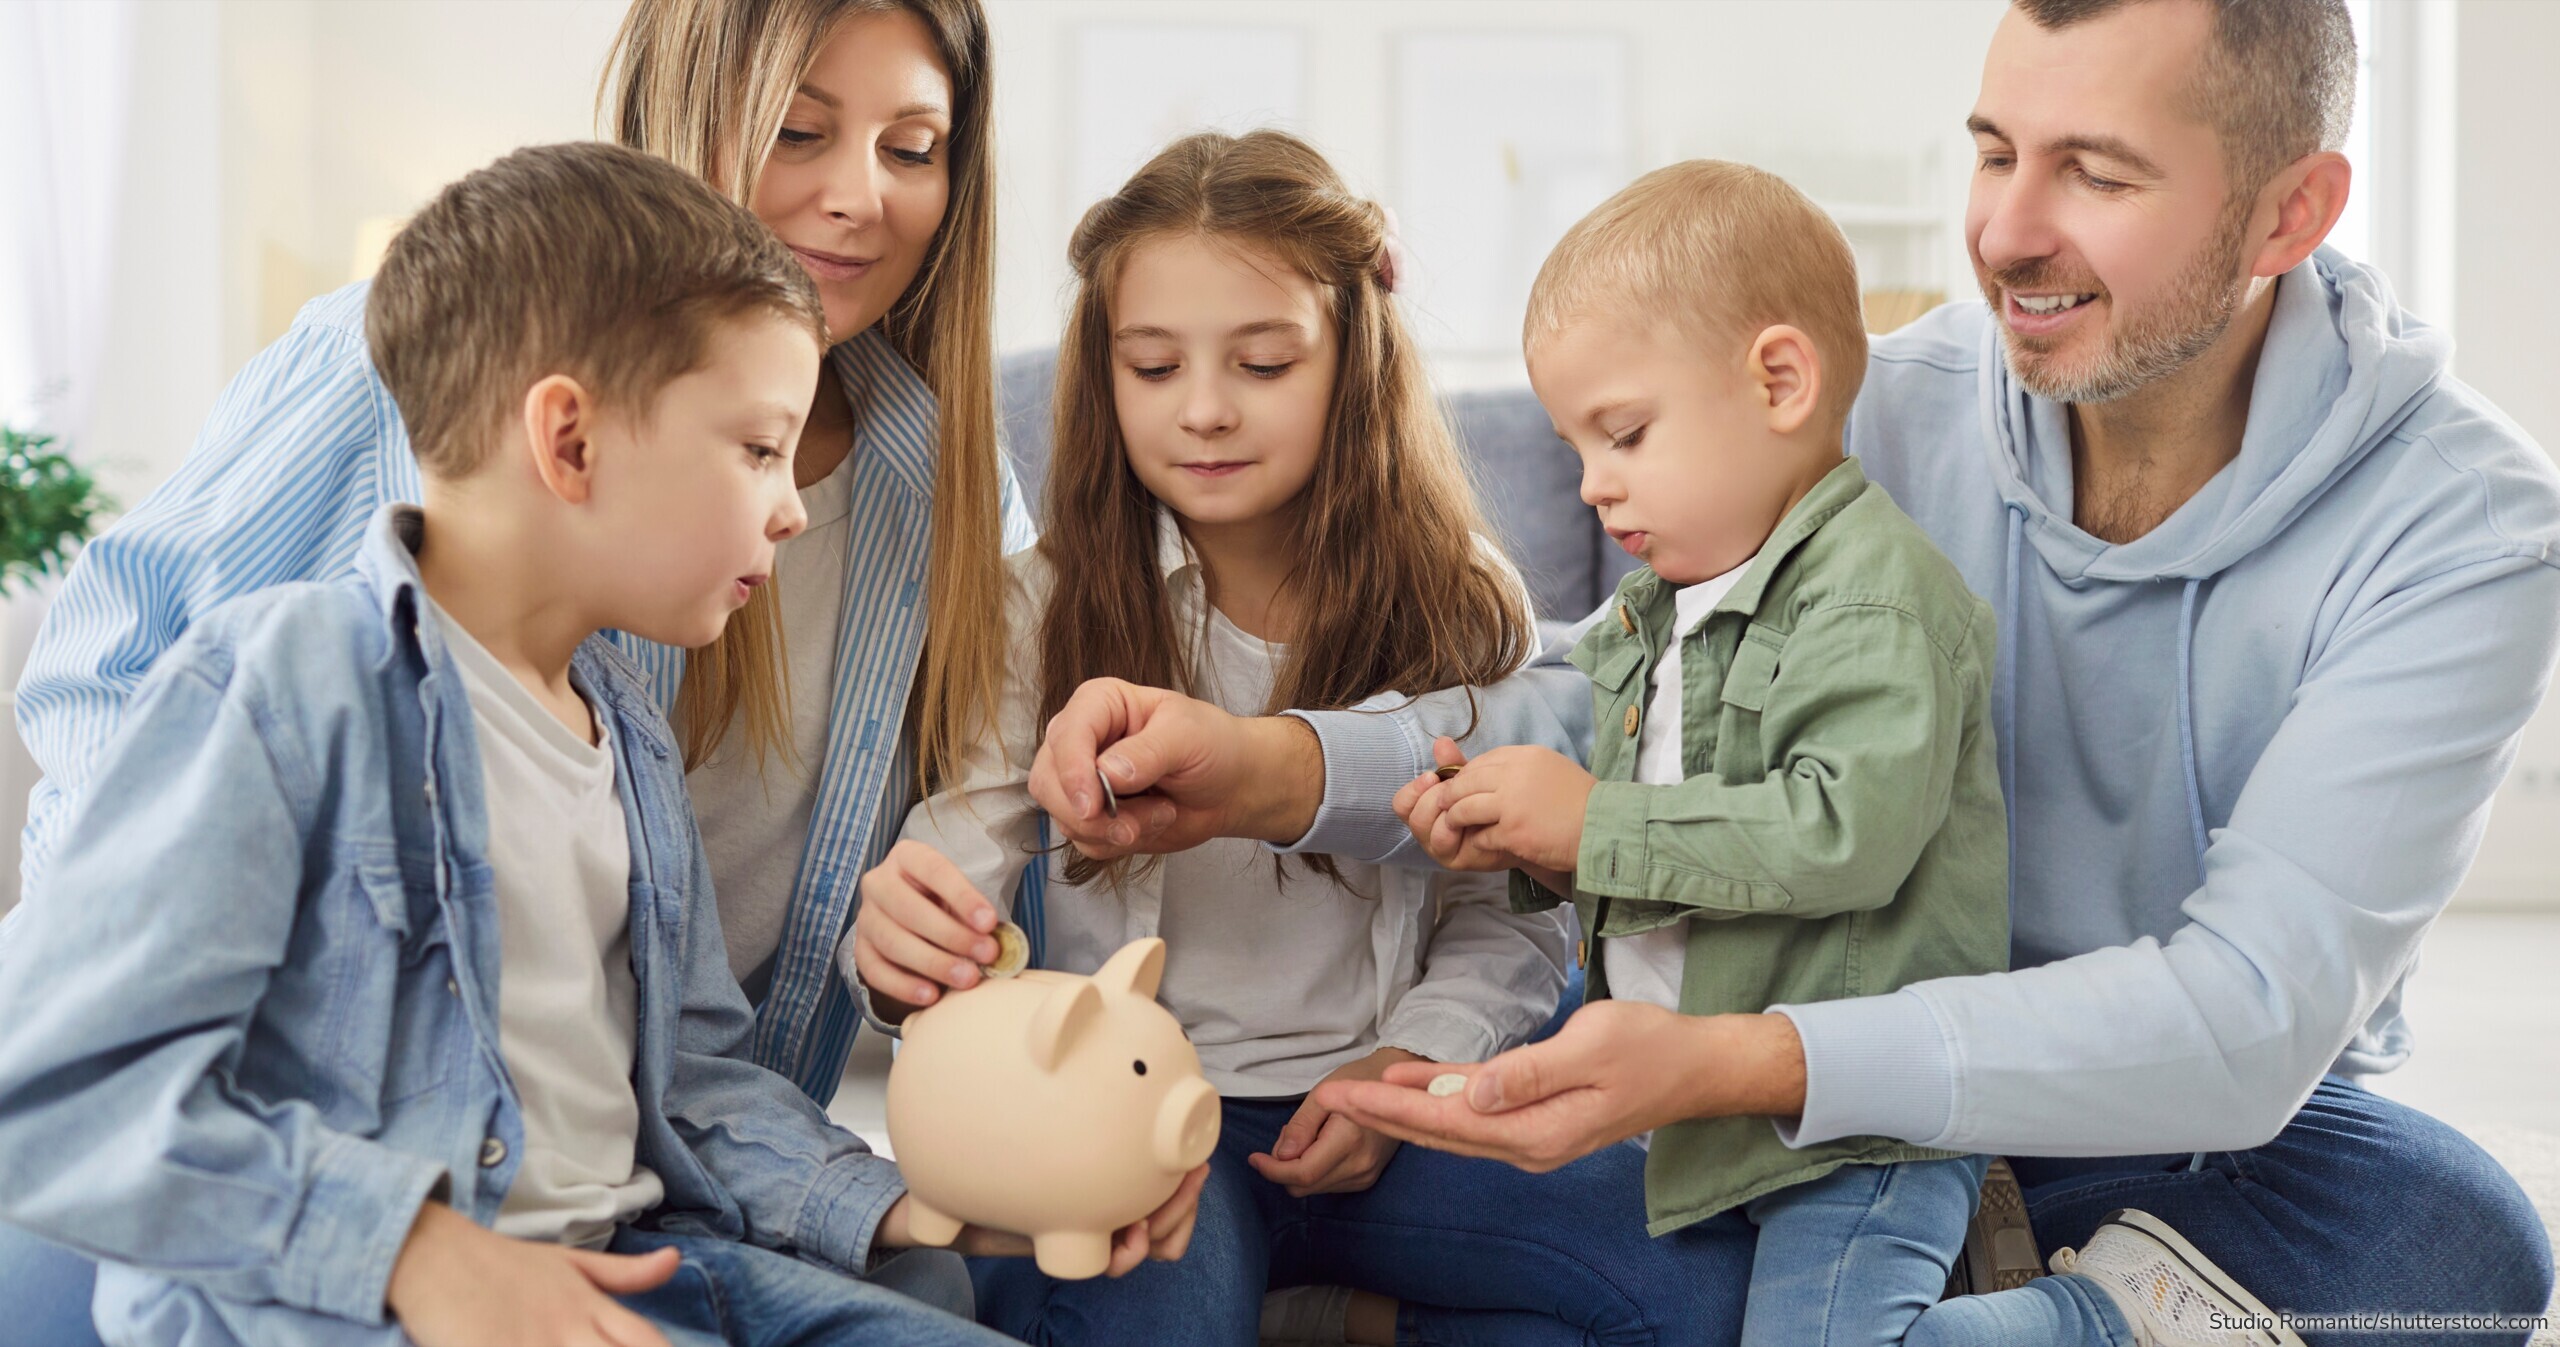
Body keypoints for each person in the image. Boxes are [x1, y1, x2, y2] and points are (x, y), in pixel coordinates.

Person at [1037, 1, 2560, 1342]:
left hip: (2126, 1103)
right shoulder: (1881, 411)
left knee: (2453, 1242)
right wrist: (1283, 767)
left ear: (2295, 212)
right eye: (1993, 151)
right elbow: (1605, 703)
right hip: (1797, 1019)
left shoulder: (2461, 522)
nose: (2009, 231)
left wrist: (1739, 1061)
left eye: (2096, 173)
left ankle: (2077, 1299)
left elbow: (2245, 1020)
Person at [0, 142, 1178, 1347]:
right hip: (355, 1308)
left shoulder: (625, 729)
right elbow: (53, 1092)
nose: (790, 504)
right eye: (759, 449)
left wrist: (915, 1212)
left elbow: (691, 1084)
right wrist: (417, 1250)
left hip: (637, 1261)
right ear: (569, 442)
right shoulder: (289, 685)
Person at [847, 130, 1740, 1347]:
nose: (1204, 411)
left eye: (1263, 363)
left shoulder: (1461, 599)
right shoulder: (1036, 611)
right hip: (1145, 1127)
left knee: (1704, 1286)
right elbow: (951, 876)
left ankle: (1332, 1313)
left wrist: (1405, 1067)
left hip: (1390, 1112)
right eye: (1153, 367)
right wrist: (907, 941)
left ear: (1351, 360)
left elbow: (1512, 913)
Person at [1419, 157, 2020, 1342]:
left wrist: (1587, 819)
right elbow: (1661, 839)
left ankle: (2115, 1316)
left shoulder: (1874, 604)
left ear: (1780, 381)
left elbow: (1835, 839)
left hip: (1854, 1130)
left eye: (1624, 435)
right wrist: (1515, 830)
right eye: (1576, 450)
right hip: (1701, 1116)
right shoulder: (1659, 608)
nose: (1593, 486)